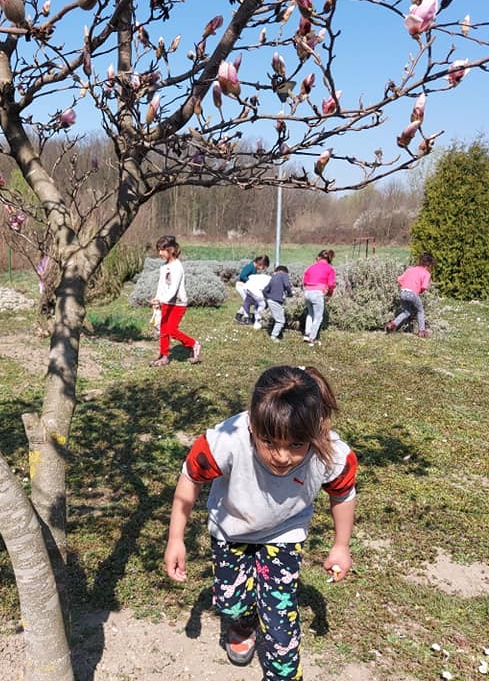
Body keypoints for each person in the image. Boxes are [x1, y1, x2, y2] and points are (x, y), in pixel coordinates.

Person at [164, 365, 357, 680]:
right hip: (231, 532)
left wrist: (340, 545)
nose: (282, 456)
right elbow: (190, 478)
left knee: (280, 620)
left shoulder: (331, 454)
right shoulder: (225, 441)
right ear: (252, 424)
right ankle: (243, 622)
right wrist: (176, 538)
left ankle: (283, 674)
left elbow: (343, 493)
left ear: (316, 430)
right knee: (230, 602)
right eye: (269, 442)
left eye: (296, 445)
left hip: (284, 535)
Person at [150, 235, 201, 366]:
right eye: (159, 250)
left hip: (178, 303)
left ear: (171, 250)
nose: (160, 253)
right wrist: (157, 299)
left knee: (171, 330)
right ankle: (164, 356)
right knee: (163, 329)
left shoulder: (177, 267)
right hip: (166, 302)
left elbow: (173, 289)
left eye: (162, 250)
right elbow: (161, 285)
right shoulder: (164, 267)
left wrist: (161, 300)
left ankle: (193, 344)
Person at [386, 251, 434, 338]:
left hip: (403, 292)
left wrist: (407, 286)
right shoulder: (426, 273)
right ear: (429, 264)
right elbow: (424, 287)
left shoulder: (410, 269)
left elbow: (399, 280)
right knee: (420, 311)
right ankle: (421, 331)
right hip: (413, 294)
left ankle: (392, 324)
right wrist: (417, 292)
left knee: (406, 312)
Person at [301, 249, 336, 346]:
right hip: (318, 293)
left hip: (307, 292)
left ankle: (307, 334)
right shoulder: (330, 268)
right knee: (318, 317)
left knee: (310, 314)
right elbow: (331, 284)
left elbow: (304, 281)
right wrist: (329, 293)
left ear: (318, 257)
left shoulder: (311, 267)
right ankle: (312, 338)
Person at [235, 255, 270, 323]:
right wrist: (250, 282)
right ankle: (246, 317)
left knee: (249, 301)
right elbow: (242, 275)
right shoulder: (250, 266)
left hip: (246, 286)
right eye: (262, 267)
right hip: (241, 285)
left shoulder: (254, 268)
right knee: (247, 301)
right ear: (260, 263)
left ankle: (239, 314)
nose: (262, 269)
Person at [263, 265, 293, 341]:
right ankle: (274, 336)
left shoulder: (273, 277)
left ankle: (276, 334)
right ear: (284, 271)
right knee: (280, 321)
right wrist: (290, 293)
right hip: (276, 300)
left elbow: (264, 290)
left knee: (279, 316)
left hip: (271, 300)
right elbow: (287, 285)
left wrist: (269, 297)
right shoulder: (284, 274)